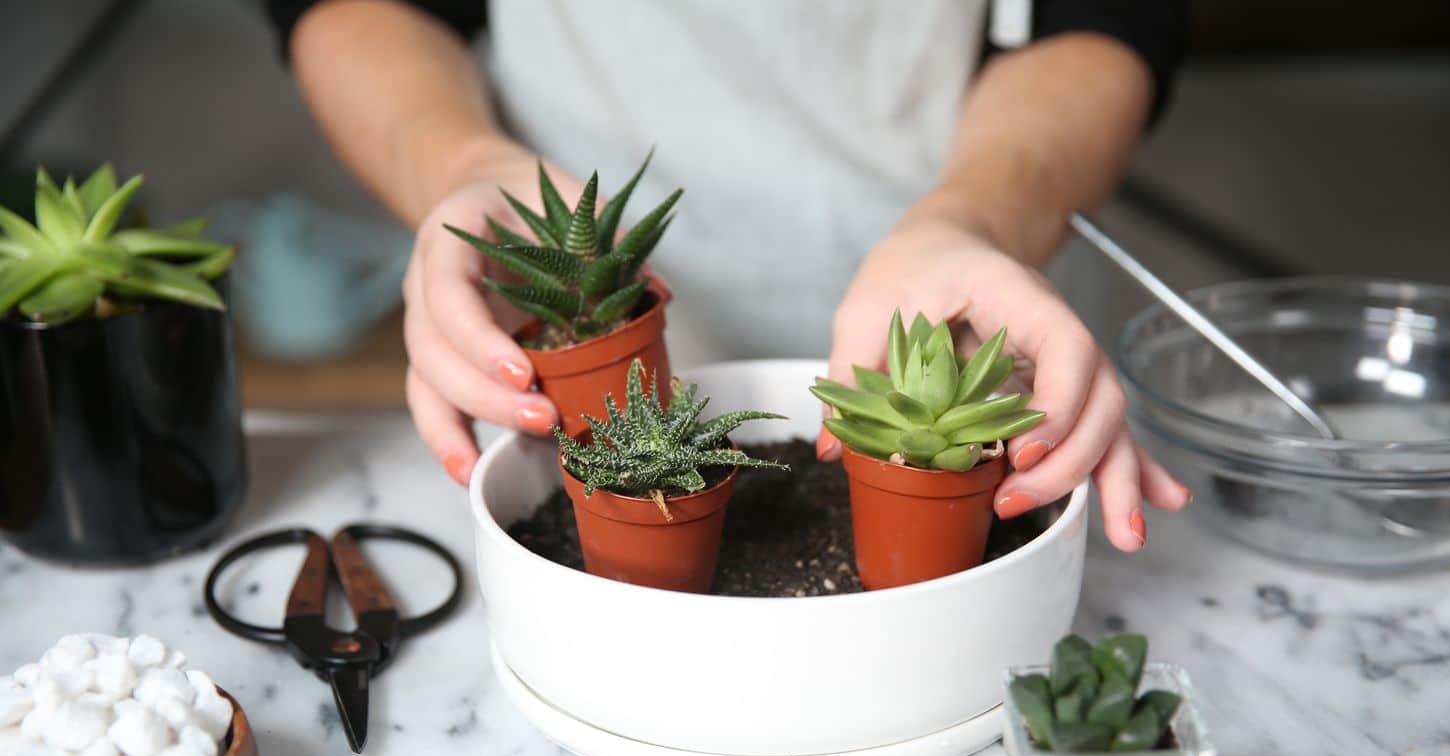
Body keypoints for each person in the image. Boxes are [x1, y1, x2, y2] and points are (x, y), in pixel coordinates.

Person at [268, 0, 1193, 552]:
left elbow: (1103, 21)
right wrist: (461, 165)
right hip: (559, 263)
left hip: (968, 281)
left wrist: (975, 218)